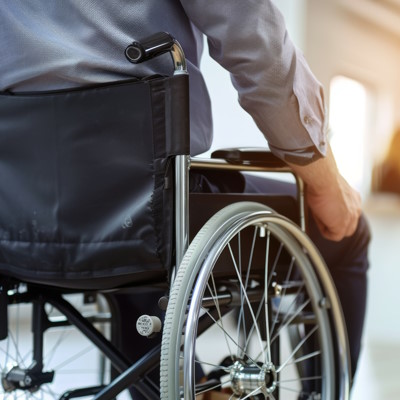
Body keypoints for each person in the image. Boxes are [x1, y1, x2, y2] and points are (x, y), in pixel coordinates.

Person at [0, 0, 370, 396]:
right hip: (146, 208)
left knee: (143, 243)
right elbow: (258, 46)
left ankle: (189, 384)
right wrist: (323, 179)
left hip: (20, 219)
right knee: (346, 233)